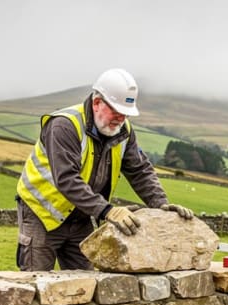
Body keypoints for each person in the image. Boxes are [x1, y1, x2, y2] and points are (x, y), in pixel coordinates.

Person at [15, 68, 193, 271]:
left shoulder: (123, 130)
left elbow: (140, 170)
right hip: (42, 213)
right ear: (97, 102)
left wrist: (161, 205)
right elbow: (67, 179)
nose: (121, 119)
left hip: (81, 215)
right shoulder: (64, 126)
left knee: (89, 283)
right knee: (35, 282)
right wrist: (107, 210)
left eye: (125, 114)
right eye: (116, 111)